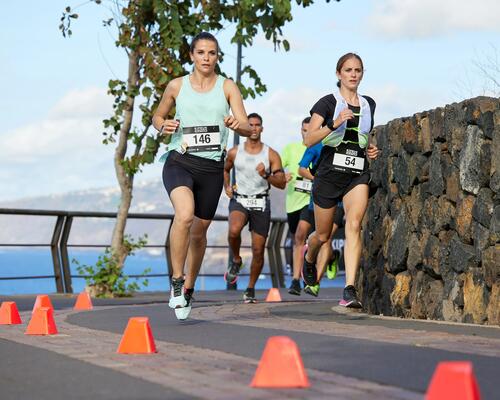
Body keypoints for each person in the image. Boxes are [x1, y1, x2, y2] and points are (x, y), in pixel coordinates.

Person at [152, 32, 252, 320]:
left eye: (212, 53)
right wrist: (163, 126)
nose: (206, 58)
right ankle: (176, 281)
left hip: (211, 168)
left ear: (217, 56)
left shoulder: (228, 87)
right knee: (184, 215)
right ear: (192, 56)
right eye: (201, 53)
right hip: (180, 161)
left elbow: (247, 127)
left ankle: (189, 288)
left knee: (199, 232)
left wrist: (237, 125)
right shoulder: (176, 85)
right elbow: (157, 116)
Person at [302, 53, 380, 308]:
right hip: (328, 174)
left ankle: (349, 288)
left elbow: (366, 136)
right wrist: (334, 123)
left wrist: (372, 149)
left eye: (358, 70)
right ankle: (310, 257)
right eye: (348, 70)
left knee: (354, 224)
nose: (353, 74)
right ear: (339, 74)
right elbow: (309, 139)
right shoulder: (327, 102)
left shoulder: (369, 104)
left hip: (356, 174)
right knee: (322, 235)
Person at [223, 113, 286, 303]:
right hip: (240, 199)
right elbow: (224, 169)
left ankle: (250, 288)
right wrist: (227, 186)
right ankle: (236, 260)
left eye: (257, 125)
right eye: (250, 125)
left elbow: (282, 183)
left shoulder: (271, 154)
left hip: (260, 202)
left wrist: (265, 174)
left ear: (262, 129)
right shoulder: (235, 152)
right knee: (234, 231)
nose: (253, 128)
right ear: (245, 127)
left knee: (258, 250)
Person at [297, 141, 345, 297]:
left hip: (339, 202)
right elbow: (301, 169)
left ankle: (314, 283)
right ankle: (332, 257)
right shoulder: (316, 144)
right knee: (321, 237)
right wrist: (318, 179)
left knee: (327, 238)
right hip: (317, 201)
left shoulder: (345, 142)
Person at [281, 118, 314, 296]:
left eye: (310, 130)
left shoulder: (319, 148)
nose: (306, 133)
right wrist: (281, 174)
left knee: (301, 234)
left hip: (312, 202)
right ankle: (296, 280)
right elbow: (277, 166)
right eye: (303, 130)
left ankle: (297, 279)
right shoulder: (291, 148)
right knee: (298, 240)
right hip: (293, 203)